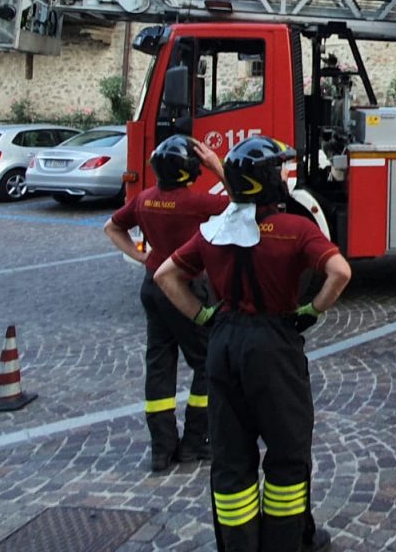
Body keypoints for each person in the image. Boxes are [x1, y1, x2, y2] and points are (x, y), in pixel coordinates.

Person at [155, 136, 351, 552]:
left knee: (231, 458)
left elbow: (165, 277)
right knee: (287, 452)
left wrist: (203, 315)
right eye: (278, 170)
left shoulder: (215, 230)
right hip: (274, 346)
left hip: (224, 343)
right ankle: (286, 542)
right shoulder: (295, 230)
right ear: (270, 181)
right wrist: (312, 311)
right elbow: (340, 273)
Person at [103, 134, 229, 474]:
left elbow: (111, 227)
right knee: (206, 363)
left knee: (159, 365)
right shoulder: (196, 203)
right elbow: (246, 205)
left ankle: (162, 449)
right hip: (186, 287)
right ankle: (195, 442)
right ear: (190, 171)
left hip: (152, 285)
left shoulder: (145, 199)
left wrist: (139, 255)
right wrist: (218, 168)